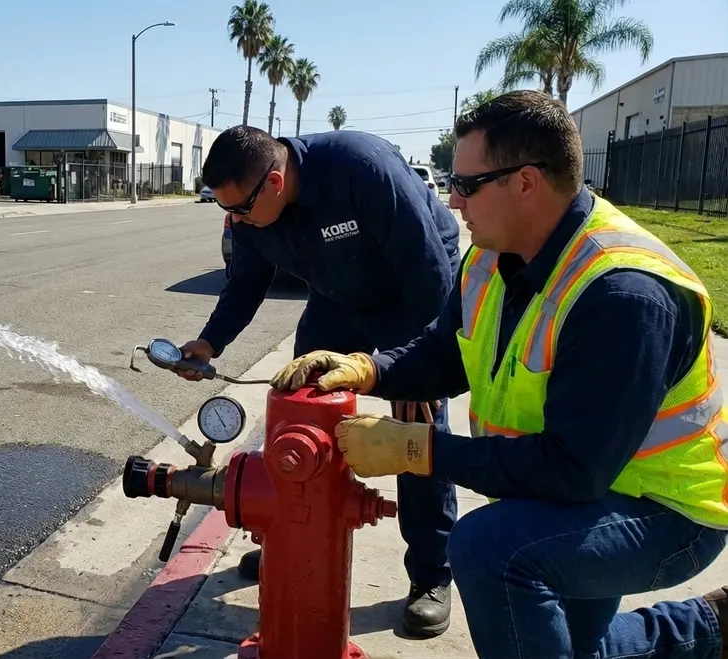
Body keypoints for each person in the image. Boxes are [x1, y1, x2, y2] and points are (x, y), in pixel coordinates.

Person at [271, 89, 728, 658]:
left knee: (491, 550)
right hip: (599, 488)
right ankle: (708, 627)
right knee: (568, 649)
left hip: (666, 513)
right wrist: (368, 370)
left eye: (465, 184)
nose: (453, 201)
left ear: (525, 183)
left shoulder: (623, 295)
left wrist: (418, 450)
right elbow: (445, 353)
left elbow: (571, 470)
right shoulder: (490, 257)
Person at [179, 124, 463, 637]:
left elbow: (428, 267)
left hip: (410, 295)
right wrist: (210, 342)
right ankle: (290, 541)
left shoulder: (360, 168)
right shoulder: (250, 213)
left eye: (239, 209)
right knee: (299, 407)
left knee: (417, 429)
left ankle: (430, 575)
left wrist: (421, 371)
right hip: (337, 299)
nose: (234, 220)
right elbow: (245, 282)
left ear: (274, 181)